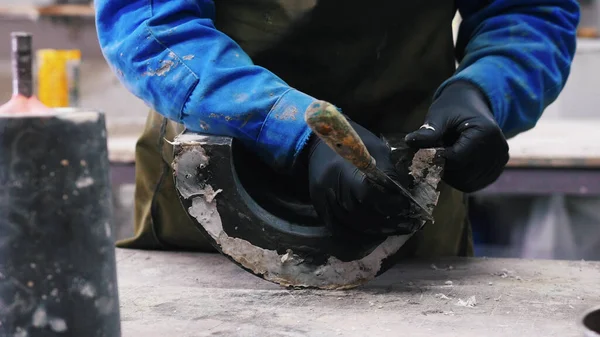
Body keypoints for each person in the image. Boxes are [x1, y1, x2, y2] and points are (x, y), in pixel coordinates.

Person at [95, 0, 580, 257]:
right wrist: (290, 127)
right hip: (214, 188)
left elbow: (527, 10)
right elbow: (151, 23)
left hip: (407, 188)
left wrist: (486, 89)